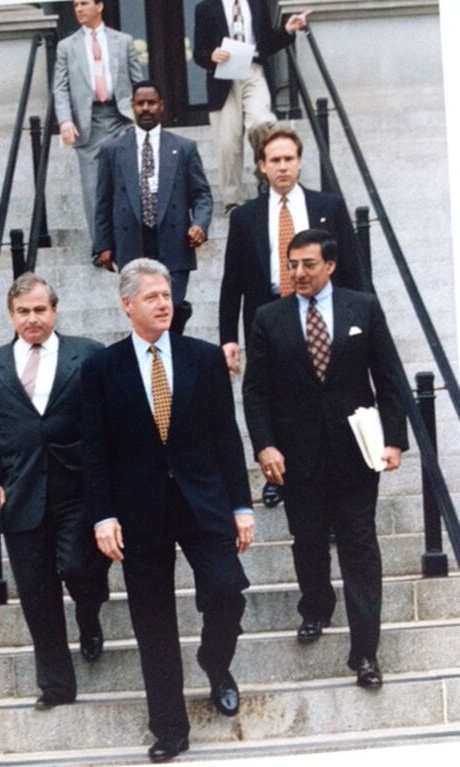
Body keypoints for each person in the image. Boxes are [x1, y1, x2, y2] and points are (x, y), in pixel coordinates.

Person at [81, 258, 254, 763]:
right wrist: (103, 515)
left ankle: (215, 662)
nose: (164, 303)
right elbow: (95, 450)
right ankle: (170, 728)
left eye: (167, 295)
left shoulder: (202, 358)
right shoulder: (101, 368)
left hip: (204, 503)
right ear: (127, 304)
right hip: (138, 512)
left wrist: (242, 504)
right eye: (152, 297)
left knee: (227, 591)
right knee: (152, 621)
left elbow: (227, 438)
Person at [242, 229, 408, 688]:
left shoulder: (363, 307)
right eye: (291, 265)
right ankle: (315, 605)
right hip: (298, 454)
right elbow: (255, 391)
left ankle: (365, 653)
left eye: (308, 265)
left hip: (355, 451)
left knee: (360, 547)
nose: (298, 273)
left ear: (330, 265)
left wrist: (394, 439)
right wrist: (265, 445)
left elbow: (389, 376)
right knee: (308, 540)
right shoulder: (268, 318)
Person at [0, 273, 110, 711]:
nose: (33, 319)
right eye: (24, 312)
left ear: (55, 310)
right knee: (35, 592)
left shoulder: (87, 355)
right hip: (21, 496)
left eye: (40, 310)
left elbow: (108, 425)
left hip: (78, 490)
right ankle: (56, 686)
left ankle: (89, 613)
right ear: (11, 315)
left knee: (79, 566)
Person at [220, 126, 365, 508]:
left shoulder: (328, 207)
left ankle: (335, 474)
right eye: (274, 161)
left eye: (289, 159)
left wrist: (362, 319)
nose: (283, 167)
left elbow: (351, 266)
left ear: (300, 163)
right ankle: (278, 475)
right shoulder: (246, 217)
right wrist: (228, 337)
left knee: (324, 393)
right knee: (274, 396)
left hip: (323, 311)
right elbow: (231, 281)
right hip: (268, 316)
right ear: (261, 167)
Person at [94, 80, 213, 334]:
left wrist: (199, 224)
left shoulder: (183, 148)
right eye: (140, 103)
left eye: (151, 103)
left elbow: (202, 195)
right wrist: (103, 244)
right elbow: (103, 200)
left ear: (161, 106)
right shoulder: (113, 150)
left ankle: (172, 358)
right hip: (132, 245)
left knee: (170, 311)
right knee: (143, 315)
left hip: (174, 244)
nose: (146, 108)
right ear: (132, 107)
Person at [193, 0, 310, 215]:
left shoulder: (257, 4)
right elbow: (198, 52)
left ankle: (264, 175)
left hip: (253, 72)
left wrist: (287, 30)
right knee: (228, 144)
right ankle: (233, 202)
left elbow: (266, 43)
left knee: (262, 123)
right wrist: (211, 56)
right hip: (223, 77)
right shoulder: (206, 7)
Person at [53, 0, 143, 250]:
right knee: (93, 188)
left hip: (120, 117)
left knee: (128, 179)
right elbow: (60, 88)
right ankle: (101, 246)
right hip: (88, 121)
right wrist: (65, 120)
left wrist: (142, 116)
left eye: (84, 3)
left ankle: (132, 239)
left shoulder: (122, 41)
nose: (78, 9)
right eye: (75, 5)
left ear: (100, 6)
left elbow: (139, 82)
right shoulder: (66, 47)